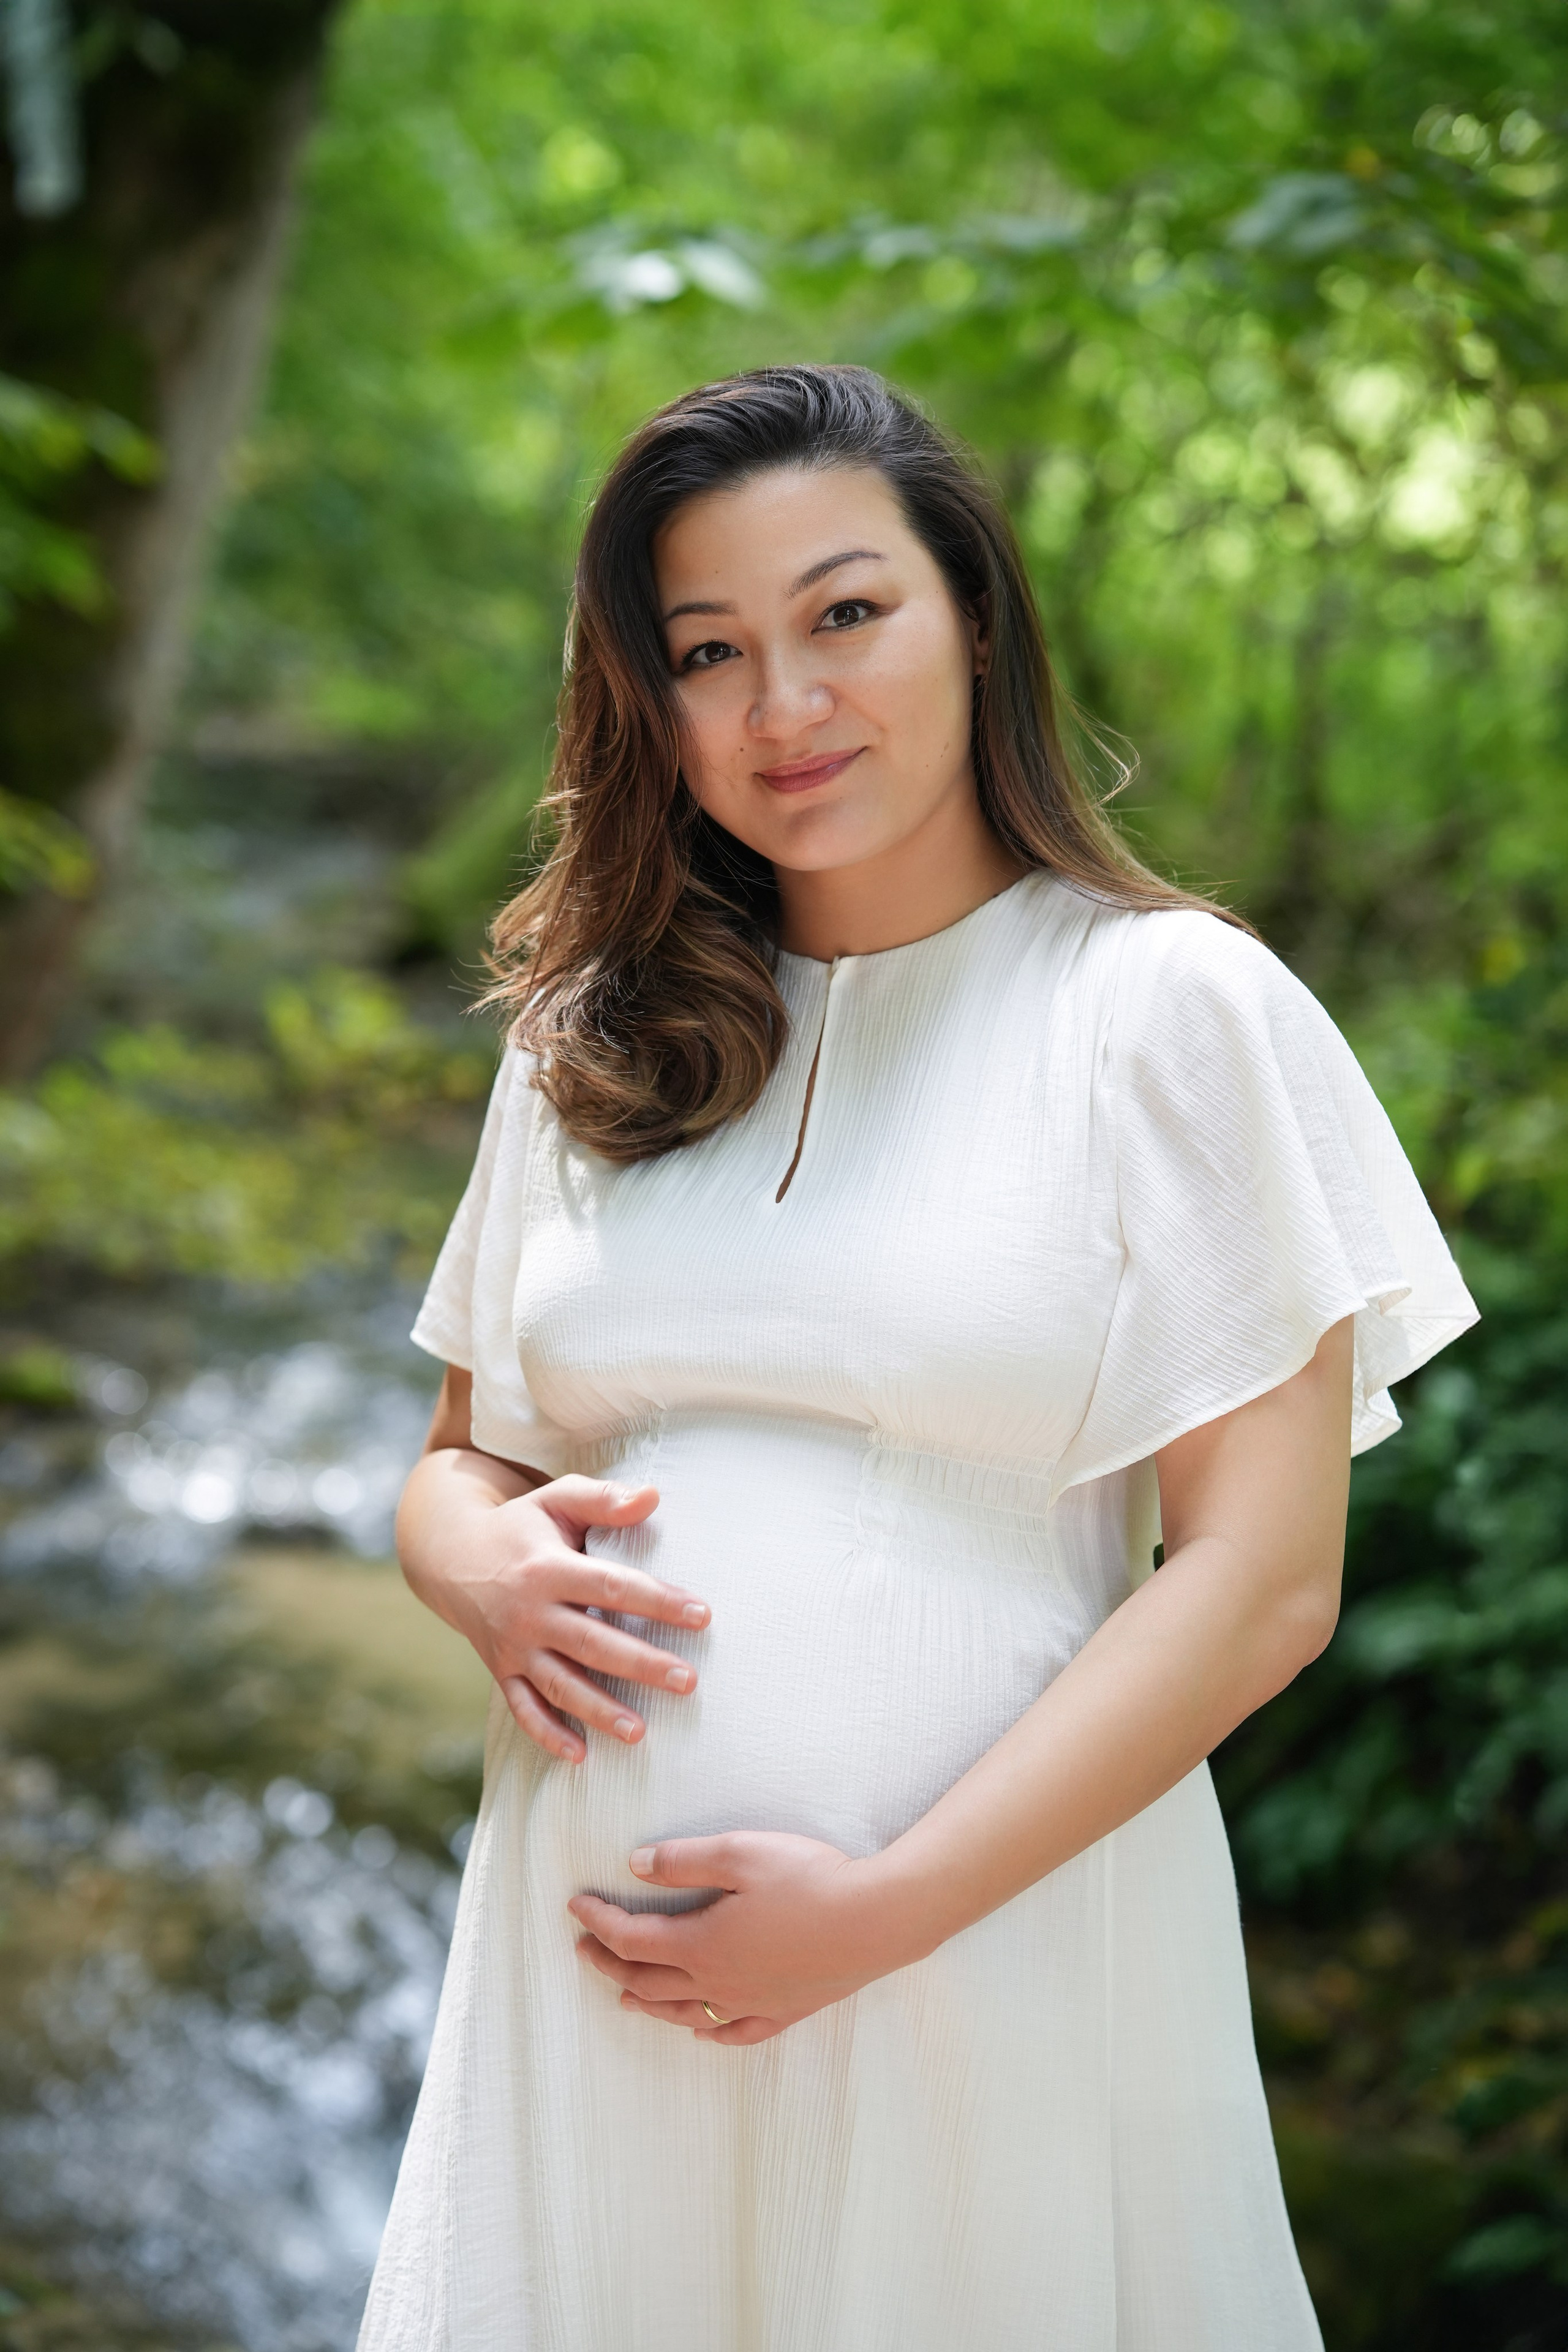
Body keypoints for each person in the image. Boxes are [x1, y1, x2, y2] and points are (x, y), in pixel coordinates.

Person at [356, 364, 1477, 2350]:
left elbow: (1262, 1582)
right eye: (710, 651)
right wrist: (465, 1560)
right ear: (650, 703)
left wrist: (880, 1913)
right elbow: (468, 1460)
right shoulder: (591, 1042)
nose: (786, 705)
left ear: (974, 616)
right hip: (584, 1992)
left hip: (988, 1957)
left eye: (847, 614)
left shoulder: (1166, 1008)